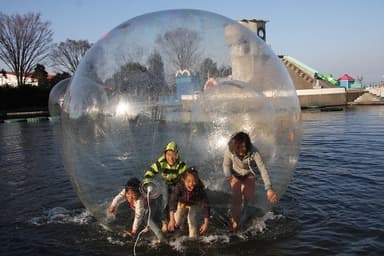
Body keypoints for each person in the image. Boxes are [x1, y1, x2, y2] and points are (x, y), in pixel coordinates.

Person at [223, 131, 278, 232]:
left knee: (249, 197)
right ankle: (234, 220)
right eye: (239, 147)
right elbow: (226, 165)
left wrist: (269, 189)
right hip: (235, 174)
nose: (242, 150)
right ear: (235, 146)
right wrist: (229, 178)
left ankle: (245, 212)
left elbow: (262, 169)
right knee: (237, 197)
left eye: (244, 147)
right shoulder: (229, 150)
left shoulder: (254, 152)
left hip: (249, 173)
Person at [142, 141, 188, 233]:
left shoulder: (181, 164)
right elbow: (149, 172)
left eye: (173, 154)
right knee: (165, 199)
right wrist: (147, 183)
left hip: (177, 183)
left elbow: (186, 179)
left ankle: (181, 221)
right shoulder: (161, 161)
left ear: (177, 154)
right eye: (168, 154)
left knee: (180, 199)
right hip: (165, 183)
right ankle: (164, 222)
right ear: (165, 154)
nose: (171, 157)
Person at [108, 177, 165, 242]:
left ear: (139, 193)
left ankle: (160, 235)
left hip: (152, 205)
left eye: (133, 195)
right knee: (132, 216)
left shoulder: (140, 201)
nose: (130, 197)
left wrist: (134, 231)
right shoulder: (126, 191)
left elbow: (138, 216)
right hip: (141, 207)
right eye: (129, 194)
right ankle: (141, 228)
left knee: (147, 219)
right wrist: (112, 207)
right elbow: (118, 198)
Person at [168, 167, 210, 238]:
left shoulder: (199, 188)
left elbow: (205, 205)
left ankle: (192, 240)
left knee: (192, 220)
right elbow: (173, 201)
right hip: (181, 203)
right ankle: (179, 232)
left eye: (194, 181)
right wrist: (171, 220)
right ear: (183, 180)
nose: (192, 184)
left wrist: (206, 223)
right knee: (177, 222)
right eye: (188, 181)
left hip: (194, 204)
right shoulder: (179, 186)